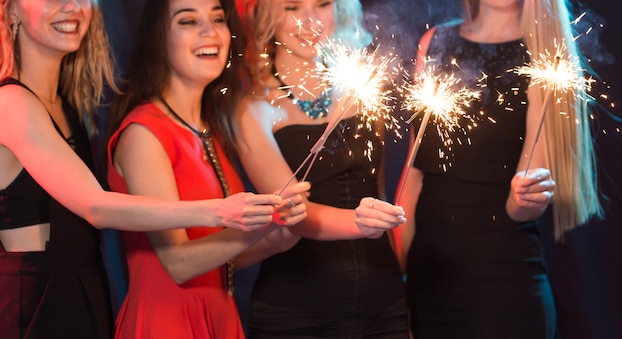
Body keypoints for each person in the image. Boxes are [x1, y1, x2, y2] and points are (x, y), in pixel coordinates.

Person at [0, 0, 294, 338]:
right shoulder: (11, 104)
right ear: (10, 11)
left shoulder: (67, 107)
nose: (72, 6)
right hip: (35, 311)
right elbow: (96, 206)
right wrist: (222, 212)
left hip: (81, 299)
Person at [394, 0, 604, 337]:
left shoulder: (545, 58)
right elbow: (414, 174)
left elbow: (519, 206)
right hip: (426, 282)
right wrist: (397, 279)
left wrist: (528, 196)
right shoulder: (434, 42)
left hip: (503, 290)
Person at [106, 0, 310, 337]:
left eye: (217, 19)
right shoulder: (144, 133)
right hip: (167, 323)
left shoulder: (209, 128)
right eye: (188, 21)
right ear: (159, 38)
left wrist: (278, 235)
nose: (209, 31)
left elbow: (218, 264)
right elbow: (179, 264)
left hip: (219, 318)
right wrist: (260, 226)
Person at [235, 0, 410, 337]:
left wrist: (401, 282)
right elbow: (293, 215)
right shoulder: (252, 109)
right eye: (292, 7)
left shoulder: (363, 89)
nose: (310, 20)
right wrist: (362, 223)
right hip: (295, 313)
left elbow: (379, 192)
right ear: (268, 16)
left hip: (384, 305)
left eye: (323, 4)